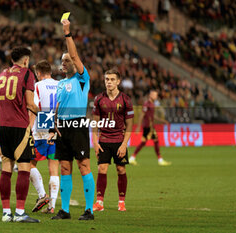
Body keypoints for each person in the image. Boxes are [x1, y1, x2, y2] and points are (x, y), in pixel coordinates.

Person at [48, 19, 95, 220]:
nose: (65, 62)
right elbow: (56, 107)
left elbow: (74, 55)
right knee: (64, 167)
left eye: (67, 60)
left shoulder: (82, 80)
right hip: (62, 128)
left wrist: (67, 33)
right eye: (63, 60)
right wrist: (53, 126)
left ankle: (89, 210)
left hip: (77, 124)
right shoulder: (59, 84)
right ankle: (65, 210)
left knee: (83, 165)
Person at [0, 46, 40, 223]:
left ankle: (6, 213)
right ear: (25, 60)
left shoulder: (1, 74)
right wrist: (42, 112)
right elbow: (30, 103)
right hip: (20, 127)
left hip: (4, 127)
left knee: (7, 169)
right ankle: (20, 213)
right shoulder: (27, 74)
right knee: (24, 168)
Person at [91, 69, 134, 212]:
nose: (109, 82)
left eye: (112, 79)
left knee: (121, 169)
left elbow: (130, 125)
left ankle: (121, 202)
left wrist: (124, 144)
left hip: (119, 140)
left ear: (118, 81)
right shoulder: (98, 99)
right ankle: (99, 202)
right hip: (103, 139)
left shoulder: (125, 100)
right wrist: (95, 142)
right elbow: (95, 123)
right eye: (107, 79)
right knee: (101, 168)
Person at [30, 60, 60, 214]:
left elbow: (33, 107)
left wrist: (29, 129)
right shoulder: (60, 85)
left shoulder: (37, 86)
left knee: (28, 164)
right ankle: (52, 206)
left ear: (38, 73)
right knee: (54, 169)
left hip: (41, 128)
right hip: (56, 129)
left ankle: (43, 195)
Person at [129, 90, 171, 166]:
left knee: (145, 142)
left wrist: (162, 121)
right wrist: (138, 127)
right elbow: (141, 115)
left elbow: (152, 116)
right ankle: (160, 160)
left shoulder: (152, 104)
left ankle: (132, 158)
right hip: (148, 127)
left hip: (150, 127)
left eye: (156, 95)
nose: (156, 96)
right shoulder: (147, 104)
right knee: (155, 141)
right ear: (150, 95)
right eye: (155, 95)